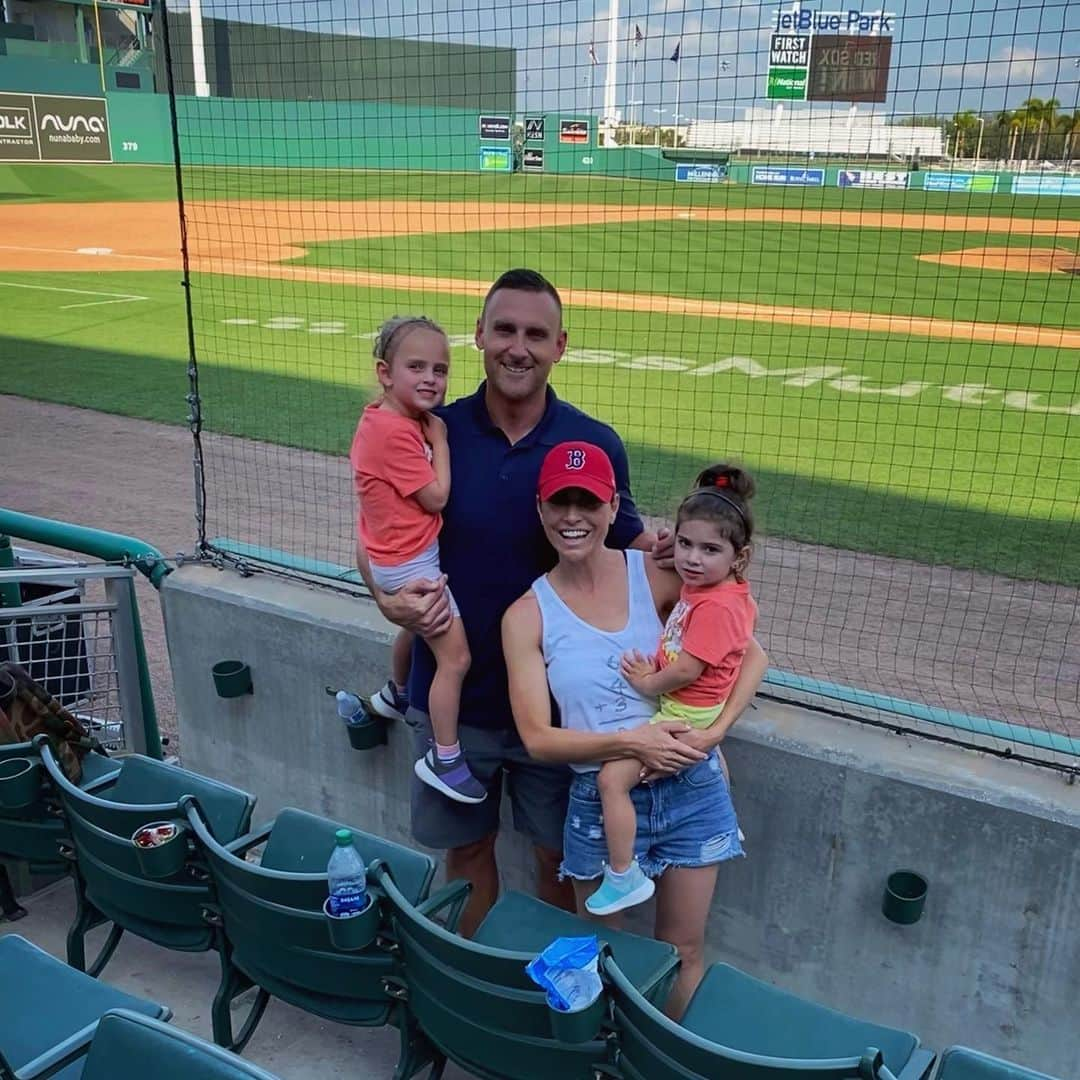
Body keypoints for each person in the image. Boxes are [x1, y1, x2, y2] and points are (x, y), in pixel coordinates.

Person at [355, 269, 669, 936]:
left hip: (559, 715)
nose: (517, 347)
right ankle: (477, 981)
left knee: (561, 863)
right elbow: (375, 539)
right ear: (479, 336)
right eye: (504, 330)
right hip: (454, 703)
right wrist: (391, 608)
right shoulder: (430, 432)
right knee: (467, 852)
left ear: (561, 345)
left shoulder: (591, 442)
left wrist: (693, 557)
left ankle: (540, 993)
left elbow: (630, 537)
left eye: (535, 333)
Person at [502, 442, 767, 1018]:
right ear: (541, 507)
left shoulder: (661, 574)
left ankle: (655, 1058)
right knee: (602, 950)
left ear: (612, 504)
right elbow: (538, 739)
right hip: (602, 797)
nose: (574, 516)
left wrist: (716, 731)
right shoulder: (527, 613)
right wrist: (631, 742)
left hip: (690, 787)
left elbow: (749, 656)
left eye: (588, 501)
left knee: (683, 949)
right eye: (560, 502)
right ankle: (601, 1055)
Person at [587, 463, 758, 916]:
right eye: (685, 544)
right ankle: (721, 817)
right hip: (694, 712)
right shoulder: (715, 590)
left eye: (709, 549)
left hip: (687, 713)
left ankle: (622, 876)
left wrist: (647, 680)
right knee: (705, 762)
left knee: (611, 779)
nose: (692, 559)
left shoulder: (719, 605)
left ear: (738, 558)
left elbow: (687, 670)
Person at [350, 316, 483, 804]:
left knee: (415, 628)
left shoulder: (382, 418)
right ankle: (444, 757)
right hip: (411, 564)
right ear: (386, 373)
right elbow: (437, 496)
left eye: (441, 369)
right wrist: (441, 443)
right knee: (456, 656)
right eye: (417, 367)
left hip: (395, 556)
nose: (432, 378)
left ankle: (396, 692)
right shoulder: (398, 433)